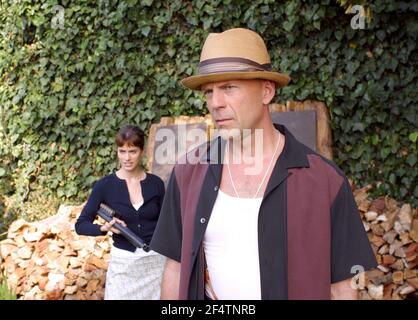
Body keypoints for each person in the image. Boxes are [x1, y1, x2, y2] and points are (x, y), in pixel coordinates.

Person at [150, 28, 377, 300]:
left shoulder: (325, 181)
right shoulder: (188, 172)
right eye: (208, 92)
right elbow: (175, 269)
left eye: (229, 88)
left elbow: (343, 287)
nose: (215, 103)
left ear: (267, 91)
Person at [75, 125, 166, 299]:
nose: (127, 158)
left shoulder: (156, 184)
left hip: (156, 264)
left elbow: (167, 223)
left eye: (132, 151)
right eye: (122, 151)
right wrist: (105, 228)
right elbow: (81, 225)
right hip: (123, 264)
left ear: (142, 150)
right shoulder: (104, 186)